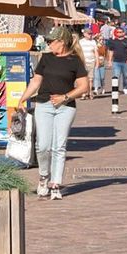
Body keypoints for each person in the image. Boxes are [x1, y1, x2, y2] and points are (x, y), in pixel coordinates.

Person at [30, 26, 89, 200]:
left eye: (50, 41)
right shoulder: (46, 58)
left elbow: (84, 87)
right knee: (43, 146)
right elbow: (36, 82)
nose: (48, 44)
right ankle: (43, 177)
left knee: (59, 146)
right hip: (44, 104)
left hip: (66, 107)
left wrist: (65, 97)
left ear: (61, 42)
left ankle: (55, 183)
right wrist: (22, 99)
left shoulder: (75, 61)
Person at [103, 27, 127, 98]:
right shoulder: (113, 41)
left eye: (121, 32)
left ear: (123, 33)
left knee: (125, 76)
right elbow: (111, 51)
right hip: (116, 61)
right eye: (118, 32)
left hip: (125, 61)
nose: (119, 33)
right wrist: (109, 61)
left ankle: (125, 88)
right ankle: (116, 89)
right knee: (116, 76)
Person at [79, 29, 103, 97]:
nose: (90, 35)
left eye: (91, 34)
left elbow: (96, 52)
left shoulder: (93, 42)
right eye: (88, 34)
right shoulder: (80, 42)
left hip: (91, 61)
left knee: (90, 78)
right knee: (84, 78)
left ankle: (90, 93)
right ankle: (84, 93)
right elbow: (79, 52)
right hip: (83, 62)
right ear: (84, 34)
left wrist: (97, 62)